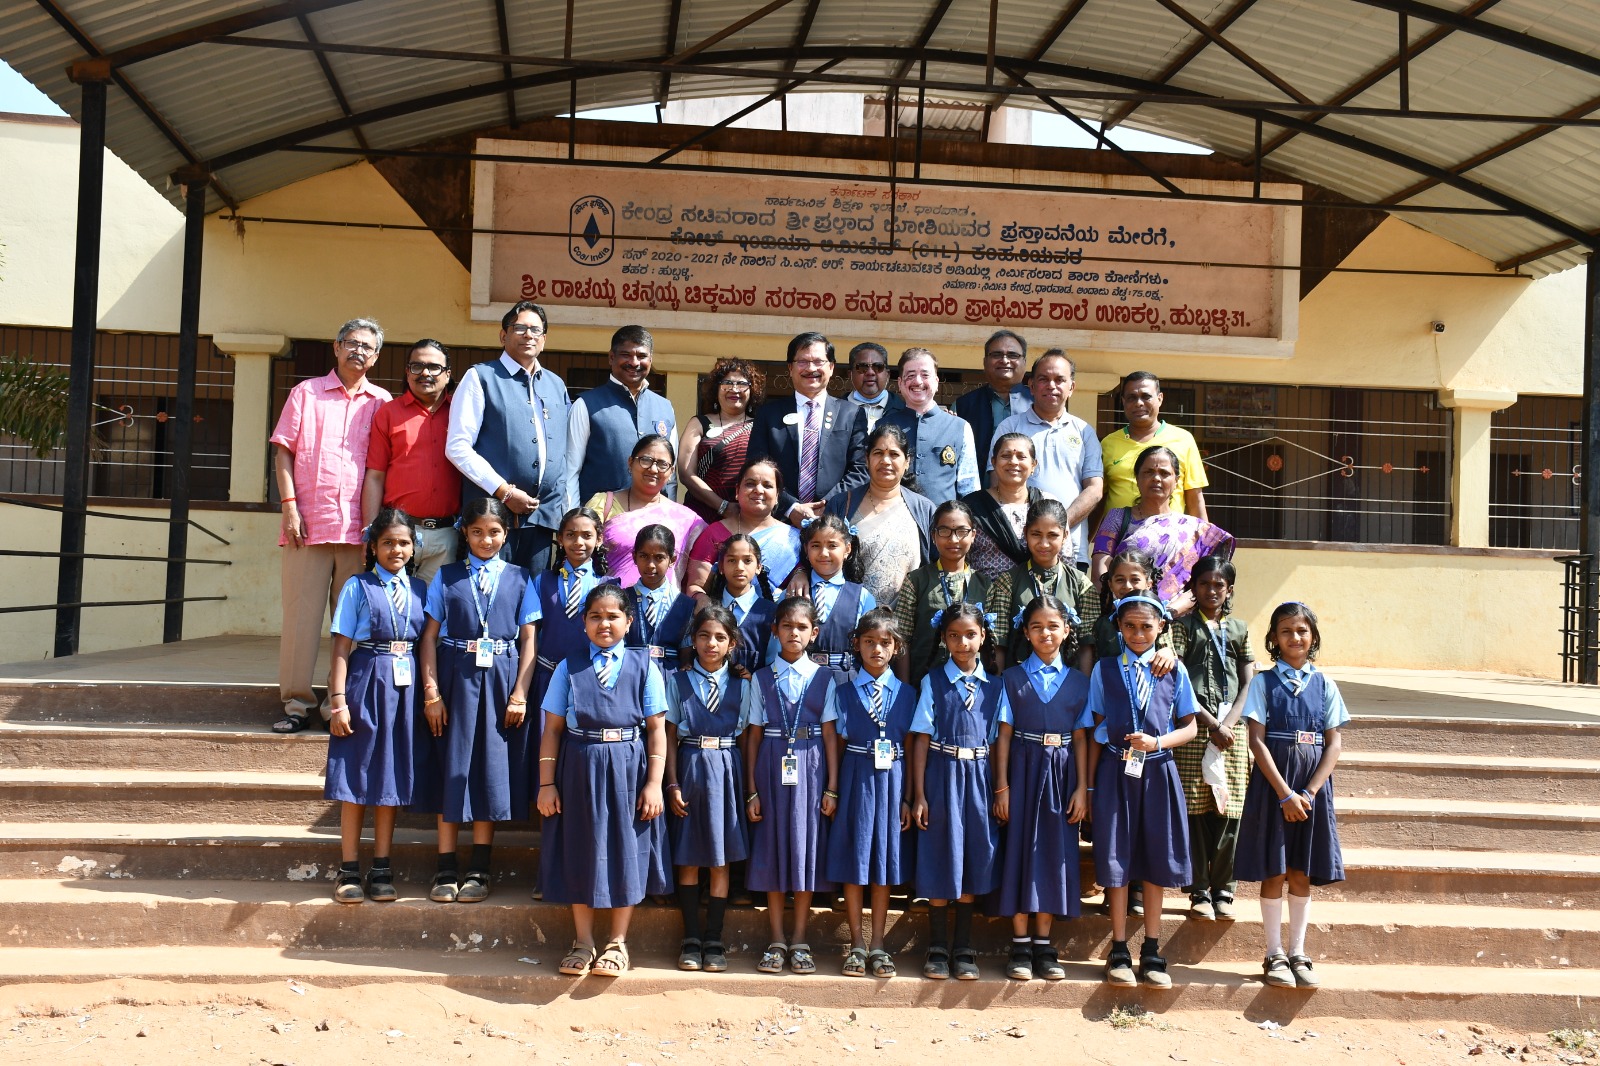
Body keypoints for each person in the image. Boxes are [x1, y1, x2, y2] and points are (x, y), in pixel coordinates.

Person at [536, 583, 671, 978]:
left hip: (630, 768)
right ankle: (582, 941)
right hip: (580, 765)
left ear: (629, 622)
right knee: (581, 848)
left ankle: (617, 942)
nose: (604, 623)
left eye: (613, 616)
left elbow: (657, 730)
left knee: (626, 850)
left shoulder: (645, 665)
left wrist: (653, 783)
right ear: (583, 623)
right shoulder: (569, 666)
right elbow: (552, 730)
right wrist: (547, 784)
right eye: (595, 616)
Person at [414, 497, 540, 905]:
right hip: (455, 677)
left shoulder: (521, 579)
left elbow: (529, 642)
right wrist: (431, 692)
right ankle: (445, 866)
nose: (487, 539)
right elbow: (429, 636)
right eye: (477, 531)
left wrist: (520, 692)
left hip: (502, 680)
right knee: (452, 765)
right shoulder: (447, 577)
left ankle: (479, 869)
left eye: (495, 532)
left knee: (489, 767)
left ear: (507, 535)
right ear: (464, 533)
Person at [271, 317, 393, 734]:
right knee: (301, 619)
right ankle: (295, 703)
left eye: (368, 347)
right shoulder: (305, 393)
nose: (359, 351)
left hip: (359, 533)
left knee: (354, 625)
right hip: (308, 525)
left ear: (376, 357)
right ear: (336, 347)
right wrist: (289, 507)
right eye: (352, 343)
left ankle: (339, 705)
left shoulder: (382, 401)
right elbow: (282, 454)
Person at [1086, 594, 1199, 989]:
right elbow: (1096, 723)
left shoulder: (1172, 668)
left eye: (1146, 627)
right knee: (1116, 862)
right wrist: (1089, 784)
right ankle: (1118, 949)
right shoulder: (1104, 669)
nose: (1137, 633)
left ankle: (1152, 949)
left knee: (1155, 861)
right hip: (1116, 772)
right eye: (1130, 626)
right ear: (1118, 626)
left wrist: (1159, 742)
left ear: (1161, 628)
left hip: (1157, 772)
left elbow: (1191, 726)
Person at [1236, 601, 1347, 990]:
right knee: (1276, 869)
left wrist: (1310, 792)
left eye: (1301, 631)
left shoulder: (1326, 685)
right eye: (1286, 631)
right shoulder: (1264, 684)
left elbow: (1333, 744)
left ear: (1312, 636)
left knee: (1301, 870)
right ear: (1273, 638)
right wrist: (1285, 794)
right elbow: (1256, 741)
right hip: (1274, 788)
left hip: (1311, 791)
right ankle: (1273, 953)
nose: (1294, 637)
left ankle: (1298, 952)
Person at [324, 507, 426, 903]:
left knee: (390, 777)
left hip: (405, 691)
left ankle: (382, 867)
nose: (396, 550)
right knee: (356, 777)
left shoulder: (421, 589)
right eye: (387, 543)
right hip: (366, 681)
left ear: (413, 547)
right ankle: (348, 869)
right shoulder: (357, 587)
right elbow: (340, 647)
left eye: (403, 543)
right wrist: (338, 702)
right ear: (373, 546)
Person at [991, 595, 1091, 981]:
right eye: (1037, 626)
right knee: (1019, 849)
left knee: (1053, 851)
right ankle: (1018, 944)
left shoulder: (1079, 682)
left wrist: (1083, 788)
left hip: (1062, 773)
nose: (1045, 633)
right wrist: (1001, 787)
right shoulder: (1011, 679)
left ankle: (1044, 945)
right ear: (1025, 632)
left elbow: (1082, 739)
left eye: (1053, 625)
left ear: (1067, 630)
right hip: (1022, 769)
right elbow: (1003, 735)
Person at [745, 596, 839, 976]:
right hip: (770, 761)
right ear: (775, 631)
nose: (794, 633)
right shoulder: (761, 678)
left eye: (801, 627)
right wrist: (751, 788)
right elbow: (751, 734)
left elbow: (831, 735)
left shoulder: (824, 678)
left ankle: (800, 939)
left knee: (804, 848)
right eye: (787, 626)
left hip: (811, 763)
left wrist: (832, 787)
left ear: (813, 633)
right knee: (771, 846)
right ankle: (776, 939)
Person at [909, 603, 1000, 981]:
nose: (962, 643)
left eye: (970, 635)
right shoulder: (933, 681)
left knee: (972, 854)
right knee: (940, 853)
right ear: (943, 639)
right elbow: (919, 739)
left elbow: (999, 741)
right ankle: (936, 946)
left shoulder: (996, 687)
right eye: (953, 635)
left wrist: (1000, 789)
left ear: (983, 637)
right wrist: (919, 794)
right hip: (941, 774)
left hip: (978, 777)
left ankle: (964, 946)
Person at [824, 608, 915, 979]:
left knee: (884, 860)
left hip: (893, 782)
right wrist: (833, 787)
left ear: (896, 648)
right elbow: (835, 742)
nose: (877, 649)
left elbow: (913, 747)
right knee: (855, 856)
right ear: (856, 645)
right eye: (869, 642)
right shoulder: (841, 691)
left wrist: (909, 797)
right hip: (856, 778)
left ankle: (879, 944)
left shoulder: (910, 694)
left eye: (885, 643)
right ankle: (857, 945)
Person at [446, 301, 571, 571]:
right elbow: (457, 447)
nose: (529, 335)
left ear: (544, 339)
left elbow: (563, 453)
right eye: (520, 328)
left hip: (541, 520)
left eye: (536, 330)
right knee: (489, 602)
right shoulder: (480, 377)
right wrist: (504, 492)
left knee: (532, 607)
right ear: (503, 335)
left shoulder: (556, 384)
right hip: (491, 521)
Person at [667, 604, 750, 974]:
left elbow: (749, 739)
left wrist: (750, 789)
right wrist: (671, 782)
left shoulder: (744, 685)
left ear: (732, 643)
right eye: (703, 636)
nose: (710, 643)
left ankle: (714, 939)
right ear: (693, 640)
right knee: (688, 855)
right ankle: (690, 937)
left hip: (727, 770)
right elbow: (668, 736)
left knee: (719, 858)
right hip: (690, 767)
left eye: (719, 637)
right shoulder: (678, 681)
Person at [1171, 556, 1254, 922]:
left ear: (1229, 590)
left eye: (1219, 585)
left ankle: (1225, 888)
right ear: (1194, 587)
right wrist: (1211, 723)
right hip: (1194, 727)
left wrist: (1229, 724)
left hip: (1230, 732)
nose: (1211, 590)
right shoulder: (1183, 627)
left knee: (1228, 810)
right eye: (1204, 584)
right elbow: (1179, 681)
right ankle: (1199, 889)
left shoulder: (1238, 629)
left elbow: (1248, 679)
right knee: (1194, 810)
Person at [1090, 445, 1234, 614]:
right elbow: (1101, 572)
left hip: (1176, 620)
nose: (1156, 478)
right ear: (1137, 478)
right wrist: (1123, 611)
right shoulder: (1118, 517)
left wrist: (1168, 612)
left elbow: (1201, 585)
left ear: (1177, 481)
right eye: (1148, 472)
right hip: (1123, 618)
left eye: (1164, 473)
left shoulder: (1194, 529)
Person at [990, 351, 1103, 567]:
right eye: (1043, 379)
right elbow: (996, 482)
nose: (1052, 385)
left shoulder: (1084, 432)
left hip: (1070, 549)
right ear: (1031, 386)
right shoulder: (1010, 427)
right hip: (1016, 547)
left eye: (1060, 380)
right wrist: (1030, 534)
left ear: (1071, 387)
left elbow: (1095, 490)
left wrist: (1055, 528)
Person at [745, 332, 869, 527]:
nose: (811, 368)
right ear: (790, 368)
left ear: (831, 367)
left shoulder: (851, 414)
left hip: (833, 523)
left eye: (818, 361)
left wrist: (826, 506)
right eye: (802, 362)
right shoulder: (769, 414)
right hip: (778, 521)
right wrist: (791, 507)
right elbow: (755, 467)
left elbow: (860, 470)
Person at [362, 339, 460, 582]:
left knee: (435, 614)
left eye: (434, 367)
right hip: (398, 532)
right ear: (407, 372)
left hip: (447, 534)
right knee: (394, 610)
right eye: (417, 366)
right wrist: (372, 531)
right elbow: (375, 476)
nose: (425, 373)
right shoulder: (388, 413)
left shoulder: (462, 412)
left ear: (447, 375)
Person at [824, 421, 935, 612]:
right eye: (878, 453)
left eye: (894, 454)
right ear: (867, 459)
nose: (885, 461)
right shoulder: (842, 504)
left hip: (906, 619)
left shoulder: (924, 510)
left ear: (907, 461)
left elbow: (935, 567)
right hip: (849, 615)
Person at [567, 325, 678, 507]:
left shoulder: (665, 407)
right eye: (626, 355)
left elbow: (671, 476)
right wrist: (573, 518)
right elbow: (570, 470)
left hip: (652, 522)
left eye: (641, 356)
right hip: (599, 519)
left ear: (651, 359)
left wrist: (670, 516)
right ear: (612, 357)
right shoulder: (586, 405)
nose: (634, 362)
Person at [987, 498, 1101, 671]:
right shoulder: (1007, 582)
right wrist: (1001, 685)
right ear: (1025, 533)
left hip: (1068, 684)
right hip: (1018, 684)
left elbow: (1087, 645)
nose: (1044, 543)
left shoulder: (1081, 584)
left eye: (1053, 535)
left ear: (1065, 535)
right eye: (1036, 534)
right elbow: (998, 643)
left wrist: (1082, 688)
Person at [585, 434, 705, 588]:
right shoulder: (603, 504)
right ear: (630, 462)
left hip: (663, 609)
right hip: (609, 606)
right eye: (646, 460)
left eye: (662, 464)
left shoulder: (687, 520)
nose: (653, 469)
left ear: (671, 471)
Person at [529, 507, 611, 721]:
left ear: (599, 539)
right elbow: (530, 637)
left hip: (588, 679)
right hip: (546, 677)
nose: (578, 542)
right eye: (571, 535)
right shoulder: (542, 581)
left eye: (587, 535)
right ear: (559, 539)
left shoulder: (608, 586)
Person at [892, 498, 988, 680]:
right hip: (924, 682)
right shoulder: (916, 581)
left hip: (973, 686)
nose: (953, 539)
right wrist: (905, 688)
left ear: (973, 535)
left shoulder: (984, 584)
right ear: (933, 536)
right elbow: (903, 639)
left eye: (961, 531)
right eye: (944, 531)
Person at [685, 458, 804, 596]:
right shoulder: (714, 533)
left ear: (777, 495)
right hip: (721, 615)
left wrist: (801, 572)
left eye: (767, 485)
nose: (758, 490)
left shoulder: (793, 539)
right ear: (737, 491)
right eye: (750, 484)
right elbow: (695, 587)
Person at [1100, 371, 1209, 519]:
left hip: (1169, 538)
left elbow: (1195, 499)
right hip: (1120, 538)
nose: (1139, 403)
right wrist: (1089, 541)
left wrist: (1204, 541)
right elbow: (1100, 498)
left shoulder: (1183, 439)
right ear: (1123, 401)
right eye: (1132, 397)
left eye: (1146, 396)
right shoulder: (1108, 443)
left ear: (1160, 399)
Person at [881, 348, 979, 503]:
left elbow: (969, 487)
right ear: (900, 383)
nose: (918, 381)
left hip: (944, 524)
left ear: (936, 382)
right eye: (911, 375)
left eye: (925, 375)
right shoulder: (883, 427)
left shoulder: (960, 427)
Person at [678, 358, 764, 523]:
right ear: (716, 389)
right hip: (701, 516)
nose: (734, 389)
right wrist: (723, 506)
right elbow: (686, 473)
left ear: (752, 390)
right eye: (727, 383)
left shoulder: (760, 426)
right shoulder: (699, 423)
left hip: (746, 516)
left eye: (741, 384)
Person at [963, 432, 1053, 581]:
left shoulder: (1048, 504)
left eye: (1021, 457)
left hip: (1039, 599)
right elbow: (957, 560)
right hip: (985, 598)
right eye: (1005, 456)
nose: (1013, 462)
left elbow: (1064, 559)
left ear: (1033, 465)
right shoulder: (971, 507)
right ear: (993, 462)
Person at [795, 513, 875, 673]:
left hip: (847, 680)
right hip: (801, 680)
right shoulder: (795, 591)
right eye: (816, 545)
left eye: (832, 546)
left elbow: (872, 642)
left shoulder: (862, 596)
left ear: (847, 549)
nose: (824, 553)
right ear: (806, 549)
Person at [954, 329, 1032, 469]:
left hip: (1028, 488)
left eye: (1013, 355)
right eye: (997, 354)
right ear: (985, 362)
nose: (1005, 360)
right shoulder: (962, 406)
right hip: (978, 488)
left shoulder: (1038, 403)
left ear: (1024, 363)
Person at [704, 533, 779, 675]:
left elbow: (774, 663)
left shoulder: (770, 613)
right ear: (721, 567)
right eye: (732, 560)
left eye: (747, 560)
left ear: (758, 567)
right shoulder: (708, 609)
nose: (739, 567)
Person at [624, 524, 695, 670]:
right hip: (630, 674)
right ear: (634, 557)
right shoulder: (622, 598)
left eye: (659, 558)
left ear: (672, 560)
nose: (650, 565)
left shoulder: (685, 605)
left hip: (669, 677)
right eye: (644, 556)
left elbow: (686, 653)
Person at [844, 342, 904, 431]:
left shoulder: (904, 410)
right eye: (862, 367)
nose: (870, 372)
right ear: (850, 374)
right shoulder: (836, 411)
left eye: (878, 367)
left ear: (887, 374)